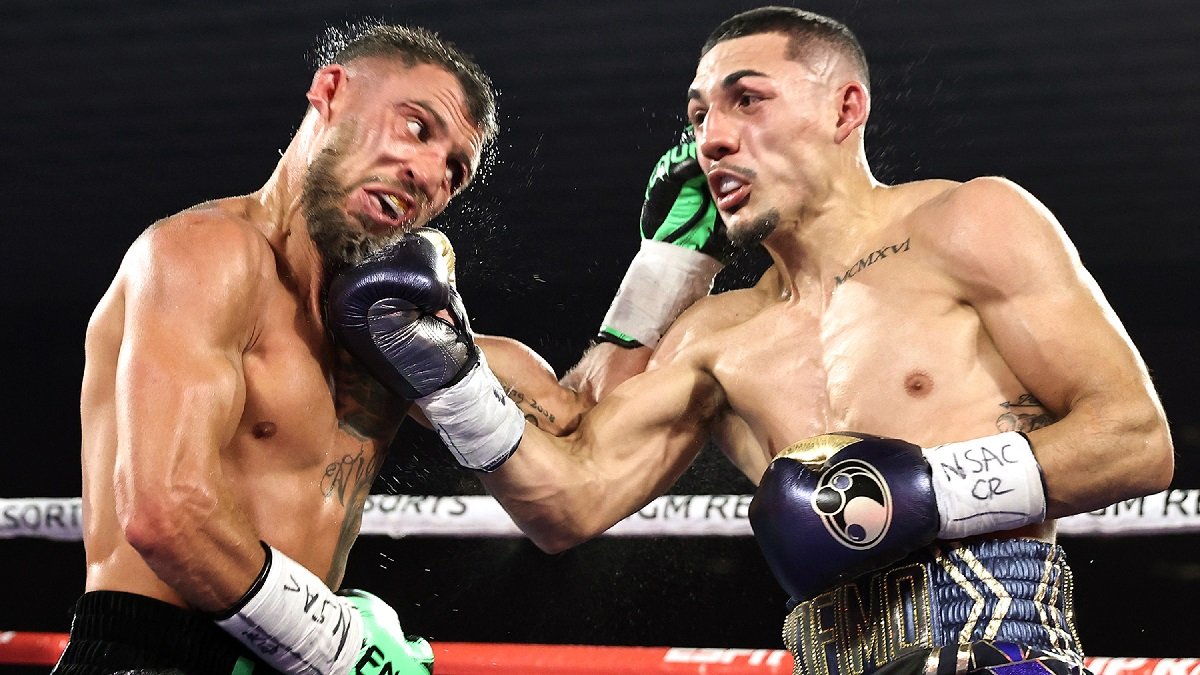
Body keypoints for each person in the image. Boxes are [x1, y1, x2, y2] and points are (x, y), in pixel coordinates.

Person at [332, 7, 1175, 675]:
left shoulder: (969, 222)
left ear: (845, 109)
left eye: (747, 99)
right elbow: (569, 499)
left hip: (1004, 652)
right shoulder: (718, 335)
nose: (712, 136)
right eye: (699, 114)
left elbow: (1136, 440)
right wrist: (453, 379)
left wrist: (925, 493)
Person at [61, 21, 499, 675]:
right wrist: (342, 649)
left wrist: (650, 282)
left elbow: (570, 451)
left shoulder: (388, 331)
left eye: (456, 170)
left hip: (290, 656)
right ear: (331, 91)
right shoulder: (205, 253)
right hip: (153, 655)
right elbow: (164, 512)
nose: (431, 172)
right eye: (416, 127)